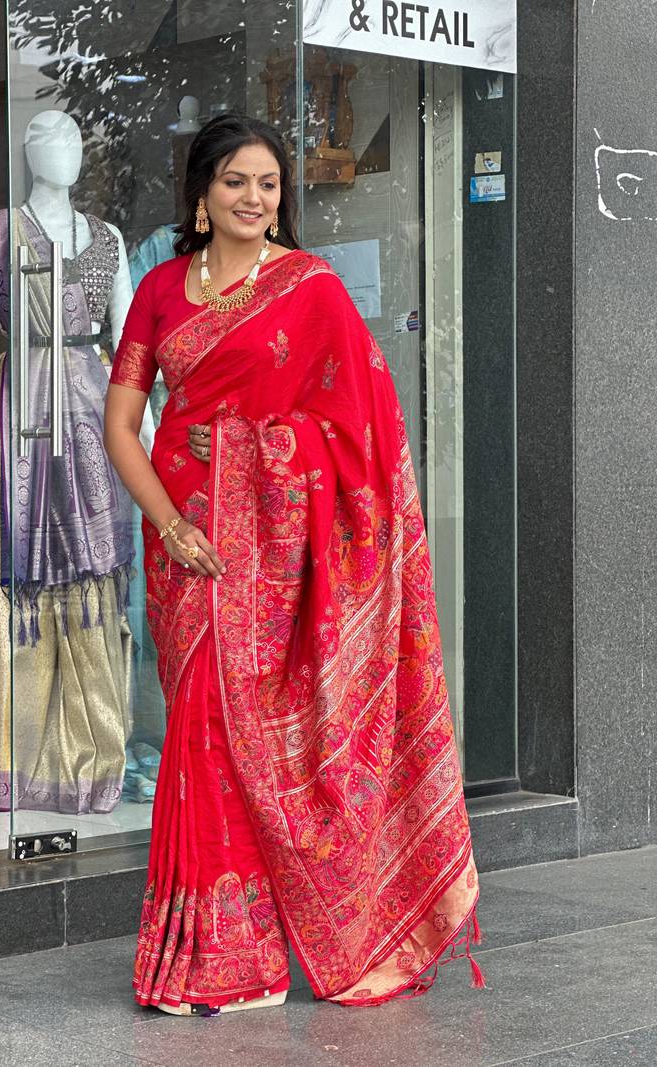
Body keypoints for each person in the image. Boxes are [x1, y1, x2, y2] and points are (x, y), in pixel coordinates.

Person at [104, 113, 483, 1016]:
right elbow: (121, 426)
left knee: (247, 744)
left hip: (271, 549)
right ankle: (202, 951)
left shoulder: (310, 289)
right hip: (183, 543)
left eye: (268, 184)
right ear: (201, 195)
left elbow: (362, 428)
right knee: (197, 739)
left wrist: (252, 461)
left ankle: (254, 959)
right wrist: (169, 523)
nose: (253, 198)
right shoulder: (160, 289)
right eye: (235, 181)